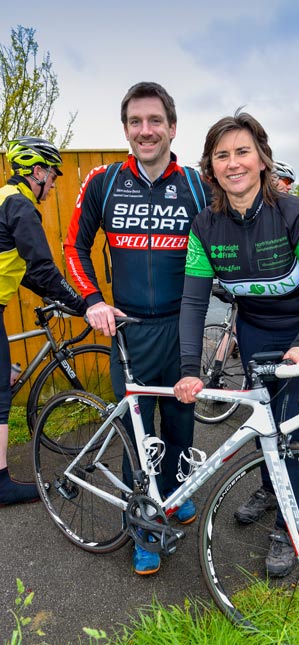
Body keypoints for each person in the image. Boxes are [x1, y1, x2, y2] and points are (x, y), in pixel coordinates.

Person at [174, 111, 299, 577]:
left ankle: (291, 525)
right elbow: (192, 302)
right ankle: (271, 489)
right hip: (256, 331)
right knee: (266, 423)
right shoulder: (205, 227)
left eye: (242, 151)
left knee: (292, 431)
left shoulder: (294, 213)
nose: (234, 163)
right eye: (222, 155)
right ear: (212, 168)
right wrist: (190, 367)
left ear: (262, 159)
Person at [64, 82, 210, 576]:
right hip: (129, 330)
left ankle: (173, 493)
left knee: (182, 424)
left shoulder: (195, 185)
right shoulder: (102, 181)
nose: (145, 131)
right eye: (135, 122)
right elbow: (74, 248)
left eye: (154, 121)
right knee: (138, 434)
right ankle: (145, 526)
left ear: (172, 127)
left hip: (183, 327)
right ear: (126, 129)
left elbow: (222, 244)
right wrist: (93, 300)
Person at [0, 136, 86, 507]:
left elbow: (26, 274)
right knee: (1, 394)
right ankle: (1, 484)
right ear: (37, 171)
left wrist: (55, 297)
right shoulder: (20, 205)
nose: (53, 184)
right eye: (52, 175)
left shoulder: (4, 198)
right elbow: (44, 268)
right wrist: (80, 303)